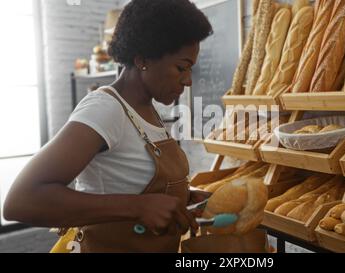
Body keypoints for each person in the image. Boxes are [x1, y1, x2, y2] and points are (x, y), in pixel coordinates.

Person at [3, 0, 213, 253]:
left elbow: (126, 180)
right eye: (181, 67)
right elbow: (22, 200)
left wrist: (182, 196)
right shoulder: (105, 109)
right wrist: (138, 207)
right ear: (142, 59)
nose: (188, 80)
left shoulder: (148, 109)